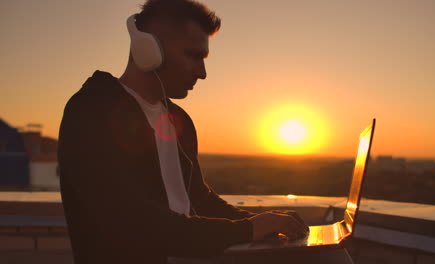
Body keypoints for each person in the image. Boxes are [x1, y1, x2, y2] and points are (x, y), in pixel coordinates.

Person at [58, 0, 308, 263]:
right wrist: (248, 229)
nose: (202, 73)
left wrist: (258, 221)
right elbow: (131, 222)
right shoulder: (91, 111)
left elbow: (199, 199)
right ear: (148, 49)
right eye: (193, 55)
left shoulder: (179, 120)